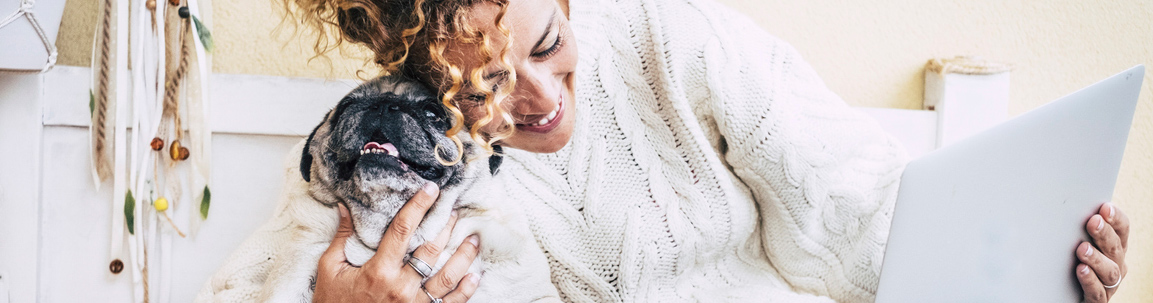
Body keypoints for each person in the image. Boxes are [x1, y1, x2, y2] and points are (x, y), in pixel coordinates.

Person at [197, 0, 1132, 302]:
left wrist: (1038, 271)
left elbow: (866, 218)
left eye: (550, 47)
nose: (540, 98)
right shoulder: (384, 142)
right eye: (483, 89)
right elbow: (256, 283)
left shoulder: (674, 45)